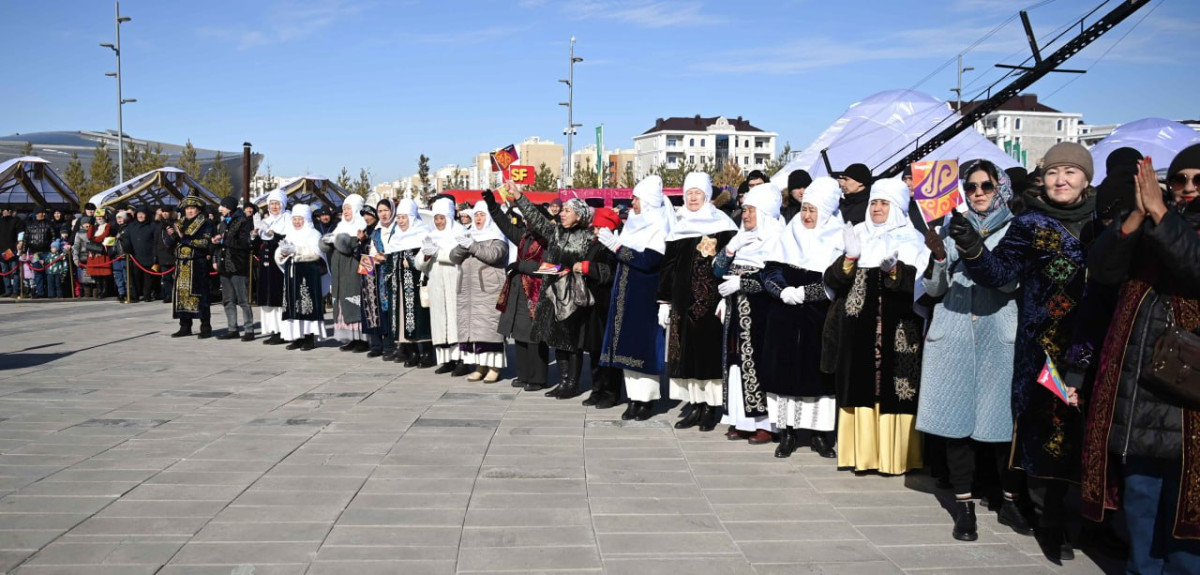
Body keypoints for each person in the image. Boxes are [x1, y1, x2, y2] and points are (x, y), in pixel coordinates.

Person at [952, 142, 1097, 560]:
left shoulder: (1105, 222)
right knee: (1047, 431)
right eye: (1053, 172)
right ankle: (1049, 519)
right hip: (1045, 346)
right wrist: (971, 247)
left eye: (1071, 172)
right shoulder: (1029, 223)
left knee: (1092, 430)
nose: (1061, 180)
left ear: (1086, 178)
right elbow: (997, 272)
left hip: (1098, 343)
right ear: (1042, 178)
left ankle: (1091, 519)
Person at [1081, 145, 1200, 574]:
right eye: (1179, 180)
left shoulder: (1168, 222)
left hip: (1191, 396)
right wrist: (1136, 214)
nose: (1187, 189)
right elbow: (1103, 270)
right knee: (1141, 500)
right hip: (1139, 384)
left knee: (1187, 511)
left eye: (1197, 180)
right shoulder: (1151, 218)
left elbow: (1194, 268)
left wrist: (1163, 217)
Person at [916, 160, 1030, 542]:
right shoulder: (949, 228)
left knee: (1000, 424)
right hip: (954, 331)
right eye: (971, 187)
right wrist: (937, 258)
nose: (978, 193)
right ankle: (964, 505)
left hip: (999, 332)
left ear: (1001, 187)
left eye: (986, 185)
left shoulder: (1016, 229)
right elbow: (934, 291)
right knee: (956, 425)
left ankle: (1009, 499)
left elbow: (1009, 284)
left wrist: (975, 249)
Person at [826, 177, 927, 475]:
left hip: (897, 331)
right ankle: (860, 455)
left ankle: (895, 457)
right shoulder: (856, 234)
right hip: (857, 332)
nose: (877, 209)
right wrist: (850, 258)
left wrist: (895, 271)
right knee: (857, 385)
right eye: (874, 203)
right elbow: (833, 282)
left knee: (896, 388)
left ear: (896, 207)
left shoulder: (911, 241)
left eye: (884, 203)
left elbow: (919, 287)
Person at [762, 177, 844, 458]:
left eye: (813, 210)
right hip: (784, 315)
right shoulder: (789, 231)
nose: (807, 216)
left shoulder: (839, 236)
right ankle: (787, 433)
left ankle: (821, 436)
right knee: (783, 373)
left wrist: (808, 293)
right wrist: (783, 291)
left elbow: (839, 281)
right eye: (805, 209)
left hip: (819, 318)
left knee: (817, 376)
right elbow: (770, 269)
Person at [489, 188, 596, 399]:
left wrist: (556, 269)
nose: (562, 213)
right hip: (553, 294)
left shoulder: (588, 237)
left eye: (567, 210)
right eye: (562, 210)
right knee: (557, 338)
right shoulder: (556, 234)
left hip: (574, 296)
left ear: (579, 216)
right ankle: (563, 380)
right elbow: (537, 221)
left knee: (572, 340)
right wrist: (519, 197)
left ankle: (572, 383)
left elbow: (574, 267)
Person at [659, 172, 738, 432]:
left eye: (698, 193)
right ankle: (694, 404)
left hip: (711, 303)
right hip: (683, 304)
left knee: (709, 355)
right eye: (689, 193)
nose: (693, 198)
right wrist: (664, 301)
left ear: (707, 196)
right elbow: (669, 266)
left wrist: (728, 297)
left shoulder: (723, 225)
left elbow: (731, 263)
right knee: (687, 355)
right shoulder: (679, 225)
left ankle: (710, 408)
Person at [713, 182, 785, 445]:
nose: (746, 215)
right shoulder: (743, 236)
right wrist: (731, 247)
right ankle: (741, 420)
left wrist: (742, 284)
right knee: (734, 362)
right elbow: (718, 270)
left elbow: (775, 280)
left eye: (751, 210)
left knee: (757, 364)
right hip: (736, 309)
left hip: (761, 311)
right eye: (744, 210)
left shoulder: (777, 237)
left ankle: (765, 424)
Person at [596, 175, 673, 420]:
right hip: (625, 295)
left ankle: (646, 401)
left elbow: (650, 261)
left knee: (644, 348)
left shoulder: (658, 226)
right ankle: (633, 398)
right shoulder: (633, 224)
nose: (632, 203)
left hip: (645, 296)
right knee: (626, 347)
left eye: (636, 198)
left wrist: (618, 248)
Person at [489, 200, 549, 389]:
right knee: (520, 334)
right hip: (519, 291)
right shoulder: (525, 236)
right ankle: (523, 375)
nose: (525, 220)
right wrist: (492, 205)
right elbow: (506, 226)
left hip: (537, 292)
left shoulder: (548, 240)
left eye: (529, 218)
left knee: (534, 337)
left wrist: (521, 266)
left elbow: (550, 267)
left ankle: (537, 378)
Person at [449, 201, 509, 383]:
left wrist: (472, 245)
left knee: (490, 329)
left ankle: (494, 367)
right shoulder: (470, 235)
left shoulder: (497, 236)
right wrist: (464, 244)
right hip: (468, 291)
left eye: (482, 215)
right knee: (473, 329)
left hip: (489, 291)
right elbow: (454, 257)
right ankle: (479, 366)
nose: (478, 219)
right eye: (476, 215)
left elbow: (493, 255)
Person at [576, 207, 623, 409]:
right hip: (593, 304)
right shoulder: (595, 244)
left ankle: (611, 392)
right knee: (595, 350)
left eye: (598, 227)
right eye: (594, 227)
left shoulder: (614, 247)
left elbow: (613, 274)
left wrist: (588, 268)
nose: (594, 231)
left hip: (608, 304)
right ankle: (597, 389)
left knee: (609, 352)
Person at [386, 199, 435, 367]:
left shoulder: (423, 233)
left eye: (404, 217)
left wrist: (414, 260)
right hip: (399, 285)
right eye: (398, 218)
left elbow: (429, 256)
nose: (400, 221)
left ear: (412, 217)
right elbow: (389, 260)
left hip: (416, 284)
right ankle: (411, 351)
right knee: (403, 318)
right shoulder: (396, 237)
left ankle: (428, 352)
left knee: (420, 317)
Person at [416, 198, 463, 373]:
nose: (438, 222)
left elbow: (460, 256)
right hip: (436, 284)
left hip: (454, 283)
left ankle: (461, 360)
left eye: (442, 218)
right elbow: (419, 263)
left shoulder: (460, 232)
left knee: (455, 321)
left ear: (449, 216)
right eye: (436, 218)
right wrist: (426, 257)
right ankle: (446, 360)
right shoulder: (430, 235)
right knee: (440, 322)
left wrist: (440, 253)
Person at [275, 204, 327, 351]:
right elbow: (282, 251)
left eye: (300, 219)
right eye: (295, 219)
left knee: (306, 305)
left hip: (307, 273)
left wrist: (297, 250)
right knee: (292, 304)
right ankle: (297, 336)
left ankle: (309, 337)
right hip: (292, 272)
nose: (297, 222)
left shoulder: (313, 234)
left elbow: (317, 253)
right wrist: (283, 253)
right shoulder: (290, 233)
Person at [323, 194, 369, 352]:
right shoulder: (340, 226)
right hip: (339, 273)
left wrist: (341, 241)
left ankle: (362, 339)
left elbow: (357, 247)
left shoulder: (362, 226)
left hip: (354, 271)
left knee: (355, 303)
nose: (346, 211)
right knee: (343, 304)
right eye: (344, 209)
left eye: (349, 208)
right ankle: (350, 338)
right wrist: (326, 242)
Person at [166, 195, 214, 338]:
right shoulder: (179, 223)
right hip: (182, 263)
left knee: (201, 296)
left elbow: (205, 243)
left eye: (193, 208)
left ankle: (206, 327)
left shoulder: (206, 223)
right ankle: (185, 326)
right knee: (182, 296)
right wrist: (171, 236)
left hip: (197, 264)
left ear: (198, 210)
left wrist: (184, 238)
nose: (190, 211)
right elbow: (171, 245)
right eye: (187, 208)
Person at [253, 190, 291, 345]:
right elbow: (256, 246)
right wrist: (254, 234)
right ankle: (273, 329)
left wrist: (273, 234)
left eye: (277, 203)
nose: (274, 207)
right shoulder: (265, 221)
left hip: (279, 265)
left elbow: (287, 241)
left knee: (278, 297)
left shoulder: (288, 219)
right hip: (265, 265)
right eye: (272, 204)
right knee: (267, 297)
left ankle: (282, 330)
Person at [213, 196, 254, 340]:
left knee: (243, 300)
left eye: (223, 206)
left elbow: (244, 243)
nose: (220, 209)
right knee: (228, 299)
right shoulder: (223, 223)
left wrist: (225, 239)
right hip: (224, 266)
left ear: (229, 207)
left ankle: (249, 329)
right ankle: (232, 328)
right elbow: (219, 246)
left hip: (238, 265)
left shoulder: (243, 222)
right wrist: (215, 256)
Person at [366, 200, 399, 360]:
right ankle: (377, 344)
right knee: (377, 307)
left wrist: (388, 257)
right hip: (377, 274)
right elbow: (370, 253)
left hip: (394, 272)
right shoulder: (376, 232)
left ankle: (392, 345)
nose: (384, 214)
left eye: (386, 210)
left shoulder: (398, 229)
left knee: (393, 307)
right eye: (380, 211)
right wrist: (374, 258)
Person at [123, 207, 158, 303]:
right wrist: (127, 249)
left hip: (149, 255)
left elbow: (156, 241)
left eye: (143, 214)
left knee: (148, 278)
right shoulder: (132, 226)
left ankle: (147, 295)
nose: (140, 216)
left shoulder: (152, 225)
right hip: (135, 256)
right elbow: (126, 238)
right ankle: (135, 295)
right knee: (135, 277)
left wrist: (155, 255)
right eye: (139, 214)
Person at [86, 209, 116, 299]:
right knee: (96, 274)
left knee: (104, 274)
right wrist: (91, 225)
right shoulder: (95, 227)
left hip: (103, 252)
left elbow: (104, 236)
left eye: (100, 217)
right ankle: (99, 290)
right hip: (94, 253)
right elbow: (89, 236)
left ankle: (104, 291)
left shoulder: (107, 226)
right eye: (97, 217)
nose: (99, 218)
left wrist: (94, 240)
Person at [25, 210, 53, 298]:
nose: (44, 214)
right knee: (37, 273)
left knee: (49, 273)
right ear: (37, 213)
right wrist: (23, 251)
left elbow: (53, 236)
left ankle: (49, 292)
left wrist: (53, 248)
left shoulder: (49, 223)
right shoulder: (29, 224)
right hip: (34, 253)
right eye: (42, 212)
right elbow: (26, 238)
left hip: (47, 252)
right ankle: (40, 292)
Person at [0, 206, 25, 297]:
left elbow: (20, 233)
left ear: (10, 211)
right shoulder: (1, 221)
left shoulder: (16, 221)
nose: (4, 212)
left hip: (11, 249)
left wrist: (20, 243)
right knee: (4, 271)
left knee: (14, 272)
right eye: (3, 211)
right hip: (1, 249)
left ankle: (15, 290)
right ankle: (8, 290)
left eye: (6, 210)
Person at [155, 207, 177, 302]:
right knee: (166, 277)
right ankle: (168, 295)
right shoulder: (159, 225)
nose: (165, 213)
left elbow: (177, 238)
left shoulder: (175, 223)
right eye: (163, 212)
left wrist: (172, 235)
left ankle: (175, 294)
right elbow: (156, 241)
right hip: (163, 254)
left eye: (167, 212)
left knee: (175, 276)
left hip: (173, 254)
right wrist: (155, 255)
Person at [112, 211, 129, 301]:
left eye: (121, 218)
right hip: (115, 255)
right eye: (118, 218)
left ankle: (127, 293)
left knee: (126, 275)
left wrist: (121, 237)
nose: (119, 220)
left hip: (124, 254)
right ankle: (121, 292)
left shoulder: (128, 228)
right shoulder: (114, 228)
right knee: (118, 275)